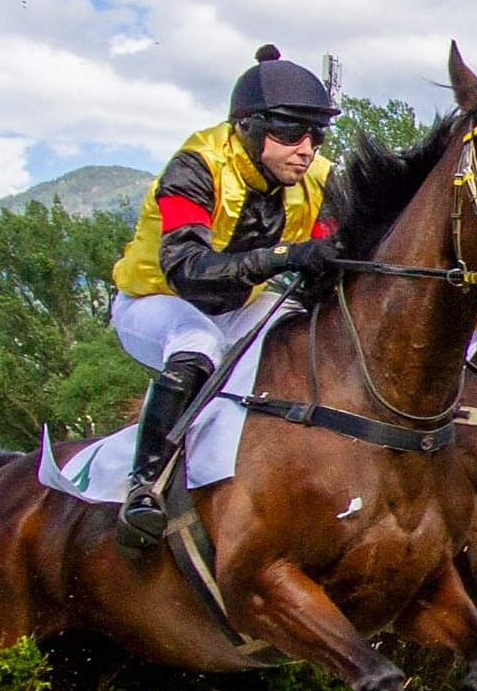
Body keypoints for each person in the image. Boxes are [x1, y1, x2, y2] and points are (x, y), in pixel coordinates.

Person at [110, 44, 339, 549]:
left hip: (239, 305)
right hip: (157, 302)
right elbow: (187, 271)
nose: (306, 149)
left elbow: (330, 258)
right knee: (197, 344)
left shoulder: (317, 179)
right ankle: (142, 487)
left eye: (316, 135)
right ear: (249, 128)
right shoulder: (193, 169)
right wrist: (284, 257)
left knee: (312, 336)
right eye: (290, 133)